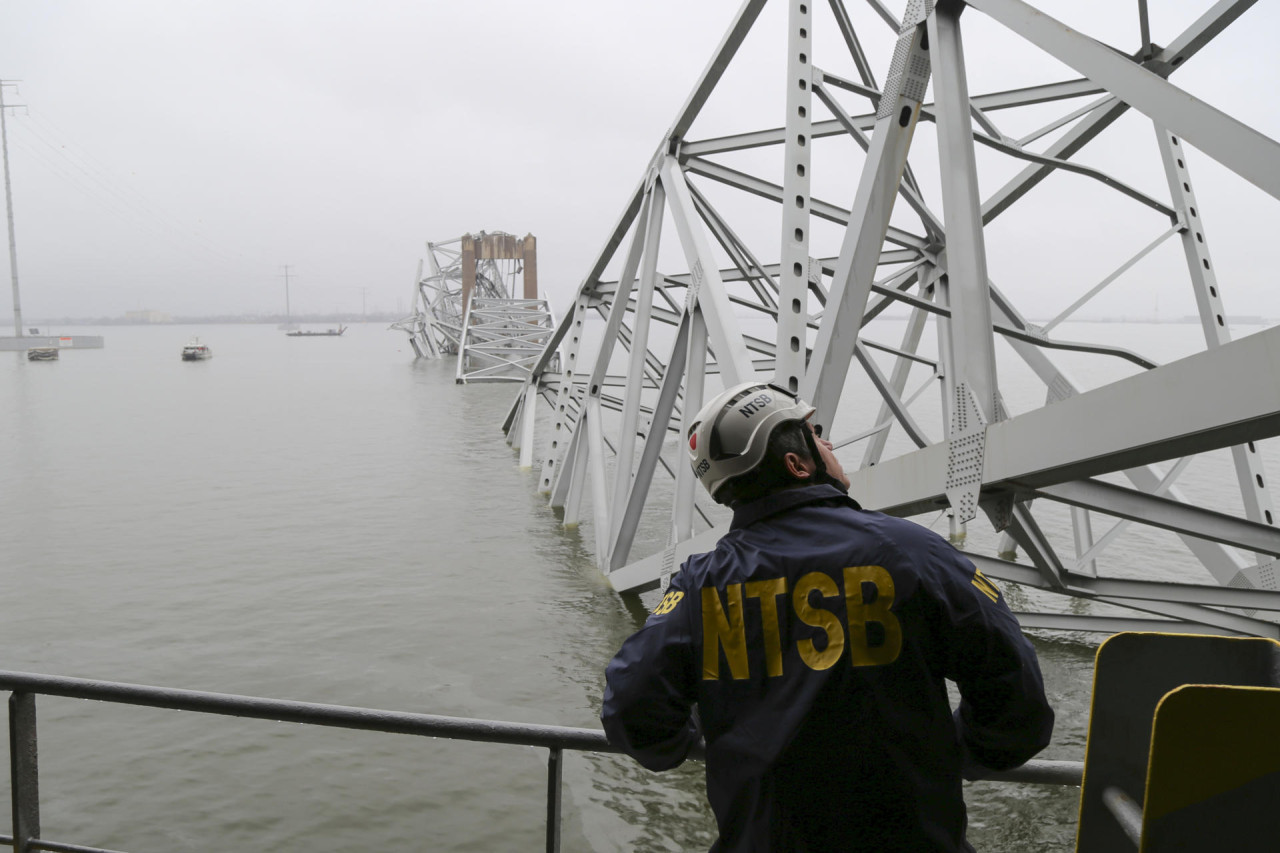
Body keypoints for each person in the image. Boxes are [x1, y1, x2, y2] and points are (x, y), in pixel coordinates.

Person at [601, 381, 1054, 852]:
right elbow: (1018, 703)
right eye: (816, 434)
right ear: (798, 465)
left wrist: (689, 744)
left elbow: (633, 711)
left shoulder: (700, 584)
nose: (830, 443)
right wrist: (956, 755)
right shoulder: (912, 552)